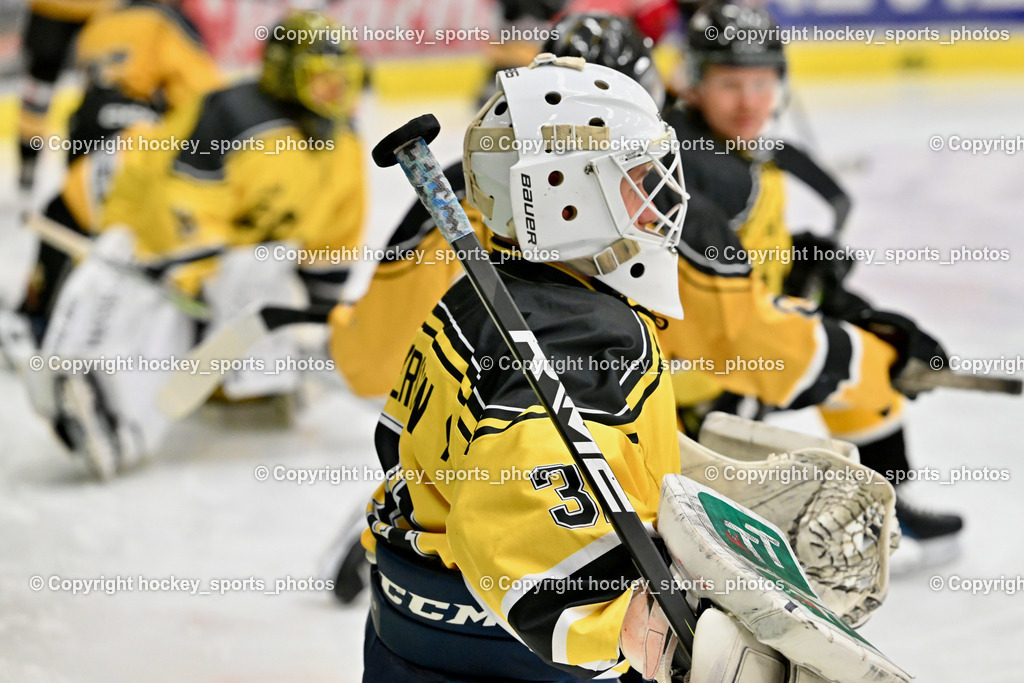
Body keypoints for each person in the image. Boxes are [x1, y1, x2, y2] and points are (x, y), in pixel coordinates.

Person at [361, 55, 689, 681]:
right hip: (523, 657)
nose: (660, 195)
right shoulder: (591, 337)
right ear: (567, 194)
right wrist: (628, 625)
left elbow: (403, 445)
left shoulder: (480, 299)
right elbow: (534, 541)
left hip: (411, 627)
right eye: (637, 175)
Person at [664, 0, 962, 563]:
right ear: (695, 82)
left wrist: (795, 261)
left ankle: (884, 497)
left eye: (762, 81)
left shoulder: (724, 148)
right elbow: (712, 297)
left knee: (848, 346)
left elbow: (726, 265)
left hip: (712, 354)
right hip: (700, 377)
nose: (750, 100)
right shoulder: (707, 167)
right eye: (730, 83)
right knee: (867, 363)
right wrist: (823, 310)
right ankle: (876, 507)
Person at [21, 10, 369, 479]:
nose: (337, 94)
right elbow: (179, 207)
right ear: (287, 75)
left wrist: (319, 323)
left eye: (343, 81)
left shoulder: (343, 146)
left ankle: (241, 385)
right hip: (114, 200)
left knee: (242, 283)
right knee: (161, 303)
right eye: (323, 80)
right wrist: (197, 289)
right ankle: (108, 407)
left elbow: (331, 242)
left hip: (210, 236)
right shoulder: (232, 115)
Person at [11, 0, 223, 344]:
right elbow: (208, 101)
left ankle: (37, 309)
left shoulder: (101, 21)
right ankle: (163, 324)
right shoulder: (168, 23)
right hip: (136, 132)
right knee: (148, 228)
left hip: (86, 124)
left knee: (68, 207)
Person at [17, 0, 120, 200]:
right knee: (38, 90)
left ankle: (88, 168)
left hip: (100, 10)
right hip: (53, 8)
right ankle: (28, 158)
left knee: (100, 93)